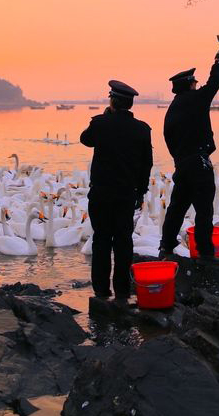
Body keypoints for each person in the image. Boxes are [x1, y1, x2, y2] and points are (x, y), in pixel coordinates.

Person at [80, 80, 153, 302]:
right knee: (123, 241)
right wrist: (141, 192)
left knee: (101, 239)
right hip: (126, 195)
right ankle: (122, 291)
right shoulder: (142, 129)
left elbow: (85, 139)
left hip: (101, 194)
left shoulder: (100, 124)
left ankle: (101, 291)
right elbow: (147, 165)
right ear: (131, 104)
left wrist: (104, 117)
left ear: (112, 101)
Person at [160, 38, 219, 260]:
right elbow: (214, 83)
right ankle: (205, 254)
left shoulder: (172, 110)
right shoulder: (196, 99)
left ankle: (166, 247)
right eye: (195, 84)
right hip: (199, 163)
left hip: (182, 164)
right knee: (204, 210)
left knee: (177, 207)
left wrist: (180, 159)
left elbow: (168, 139)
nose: (197, 86)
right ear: (190, 85)